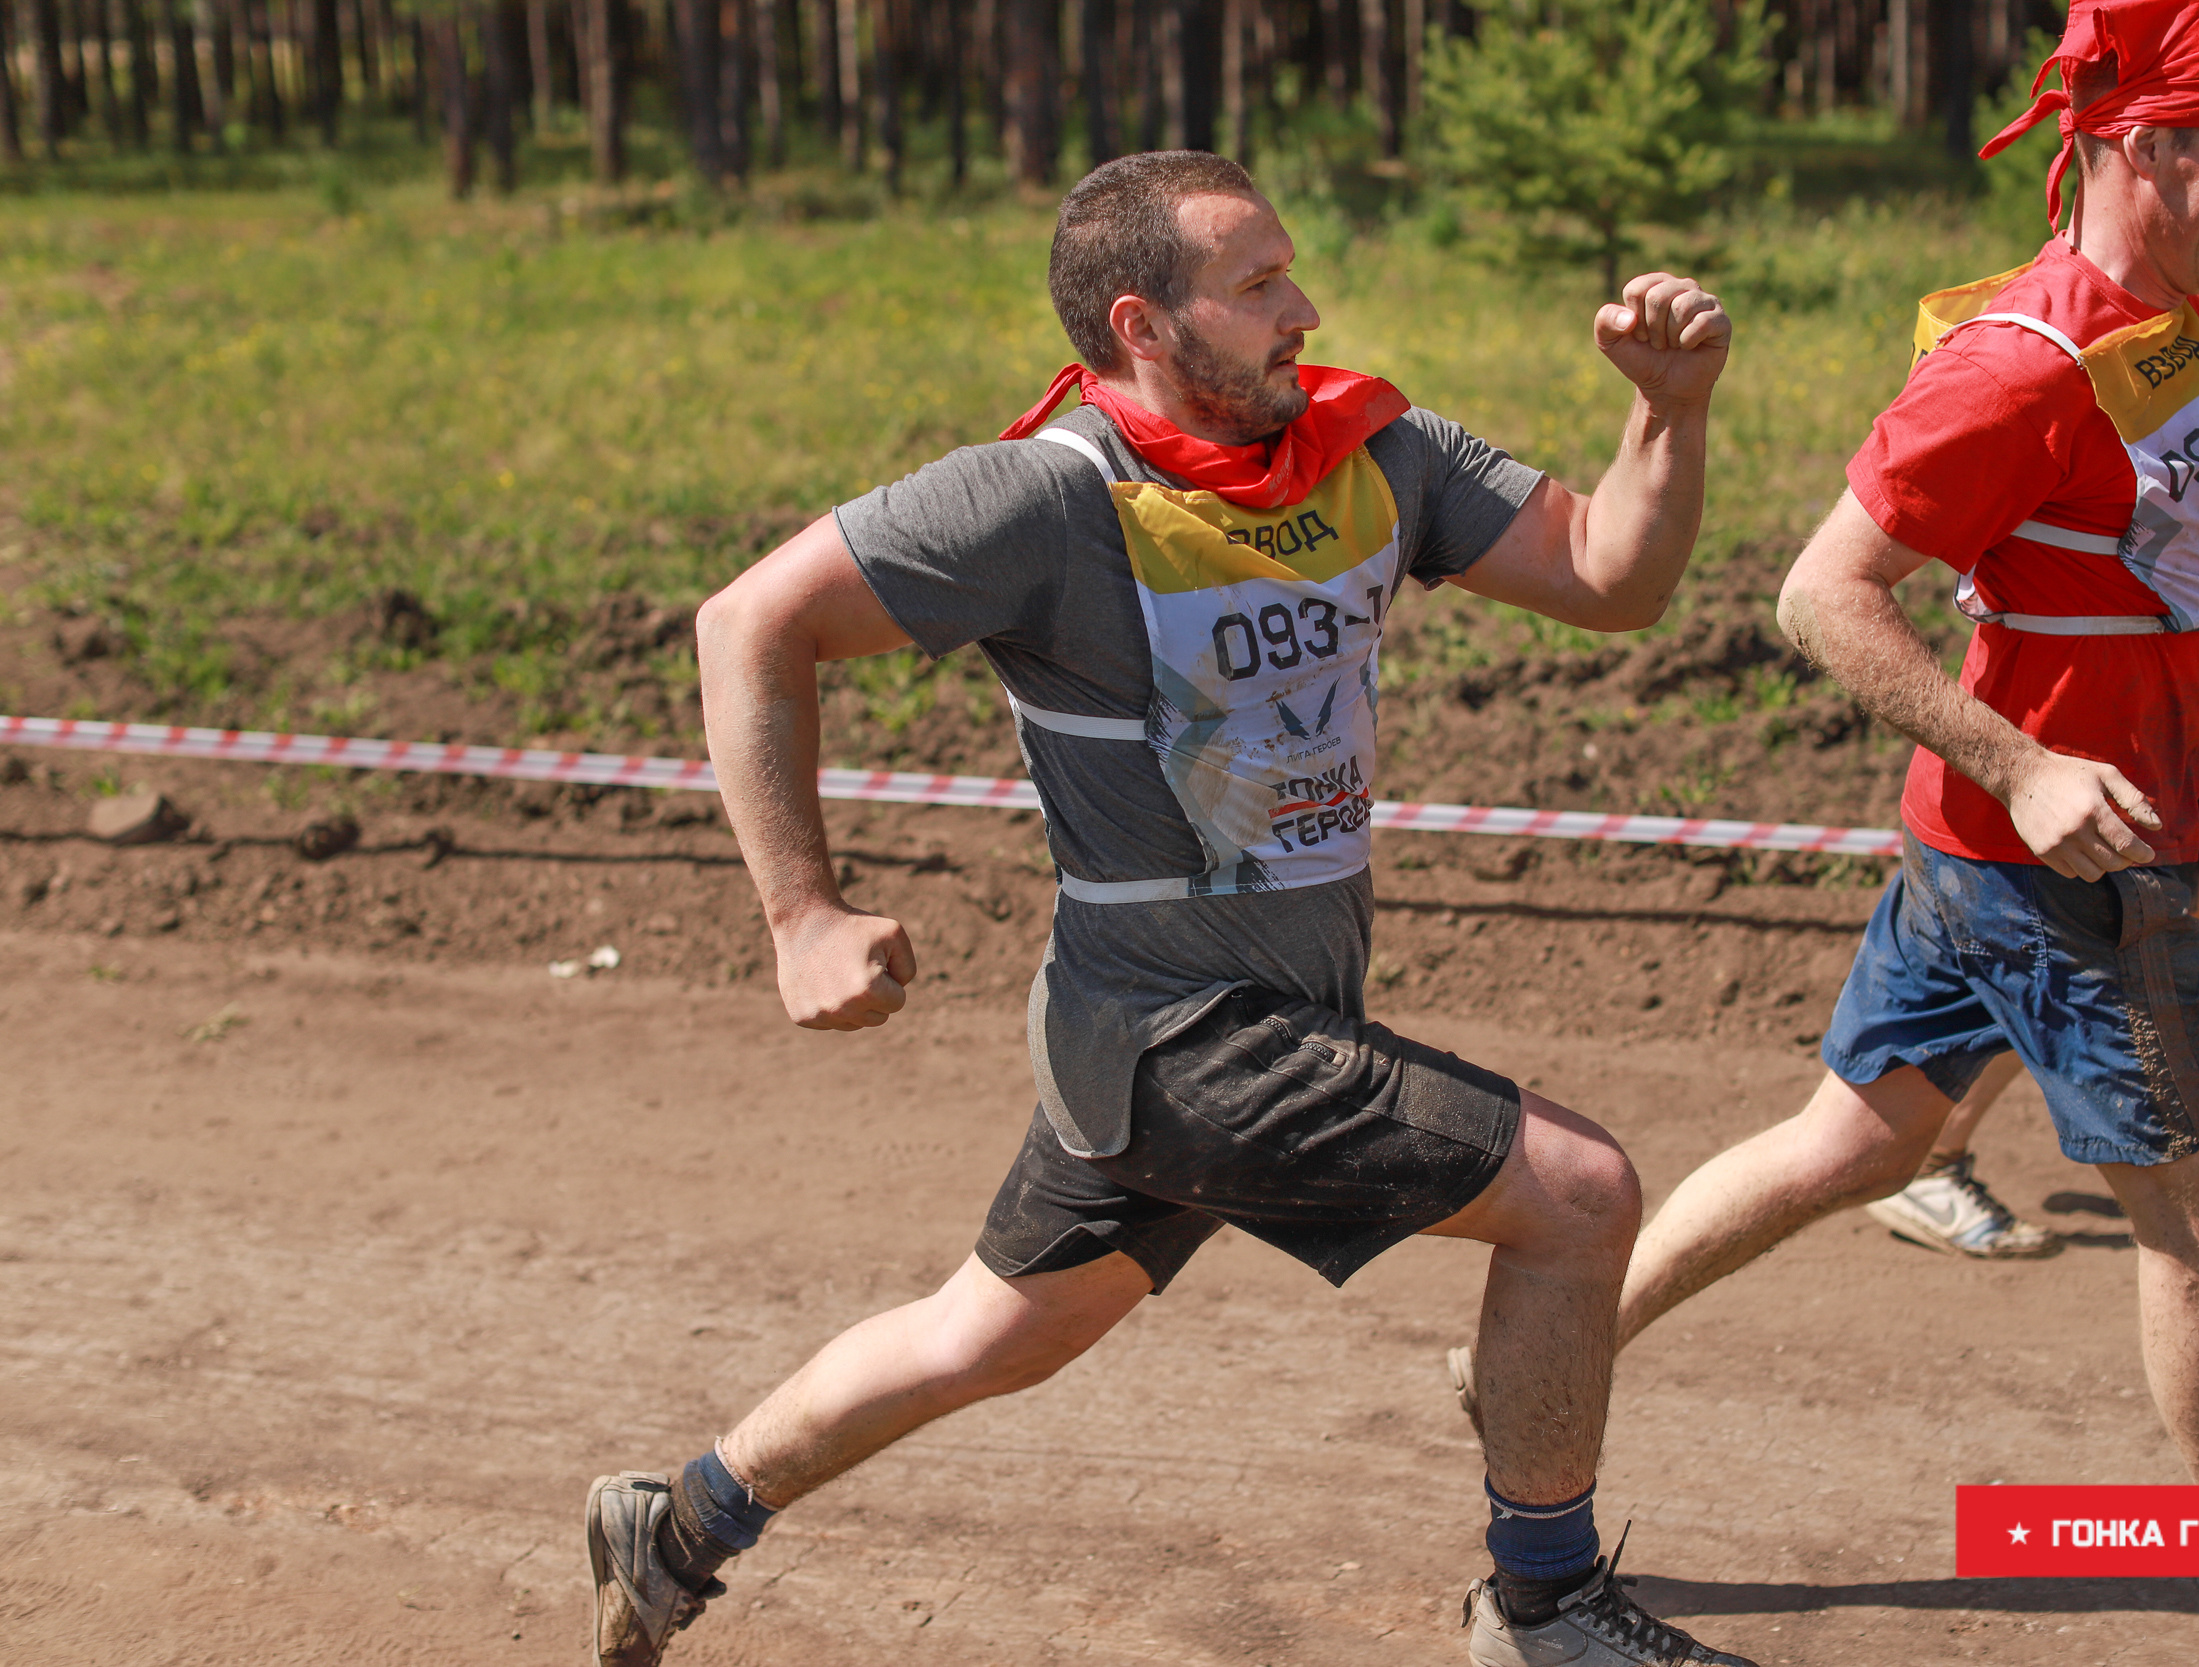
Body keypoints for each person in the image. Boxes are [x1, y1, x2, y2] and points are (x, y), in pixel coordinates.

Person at [585, 151, 1758, 1667]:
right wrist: (800, 911)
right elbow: (748, 619)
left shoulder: (1368, 448)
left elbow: (1609, 575)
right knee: (1579, 1193)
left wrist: (1668, 412)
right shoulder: (1042, 494)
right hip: (1175, 1035)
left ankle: (679, 1519)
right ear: (1142, 324)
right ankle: (1545, 1607)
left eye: (1291, 270)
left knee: (991, 1330)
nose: (1303, 307)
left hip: (1231, 1020)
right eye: (1256, 285)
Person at [1463, 3, 2199, 1662]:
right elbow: (1823, 594)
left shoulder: (2193, 313)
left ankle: (1528, 1357)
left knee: (1853, 1146)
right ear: (2141, 148)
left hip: (2017, 841)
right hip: (2054, 860)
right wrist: (2023, 767)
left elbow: (2151, 529)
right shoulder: (2017, 363)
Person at [1859, 27, 2199, 1264]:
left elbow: (2189, 502)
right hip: (2095, 673)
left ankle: (1953, 1112)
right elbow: (1860, 575)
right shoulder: (2106, 312)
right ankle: (1954, 1130)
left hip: (2180, 647)